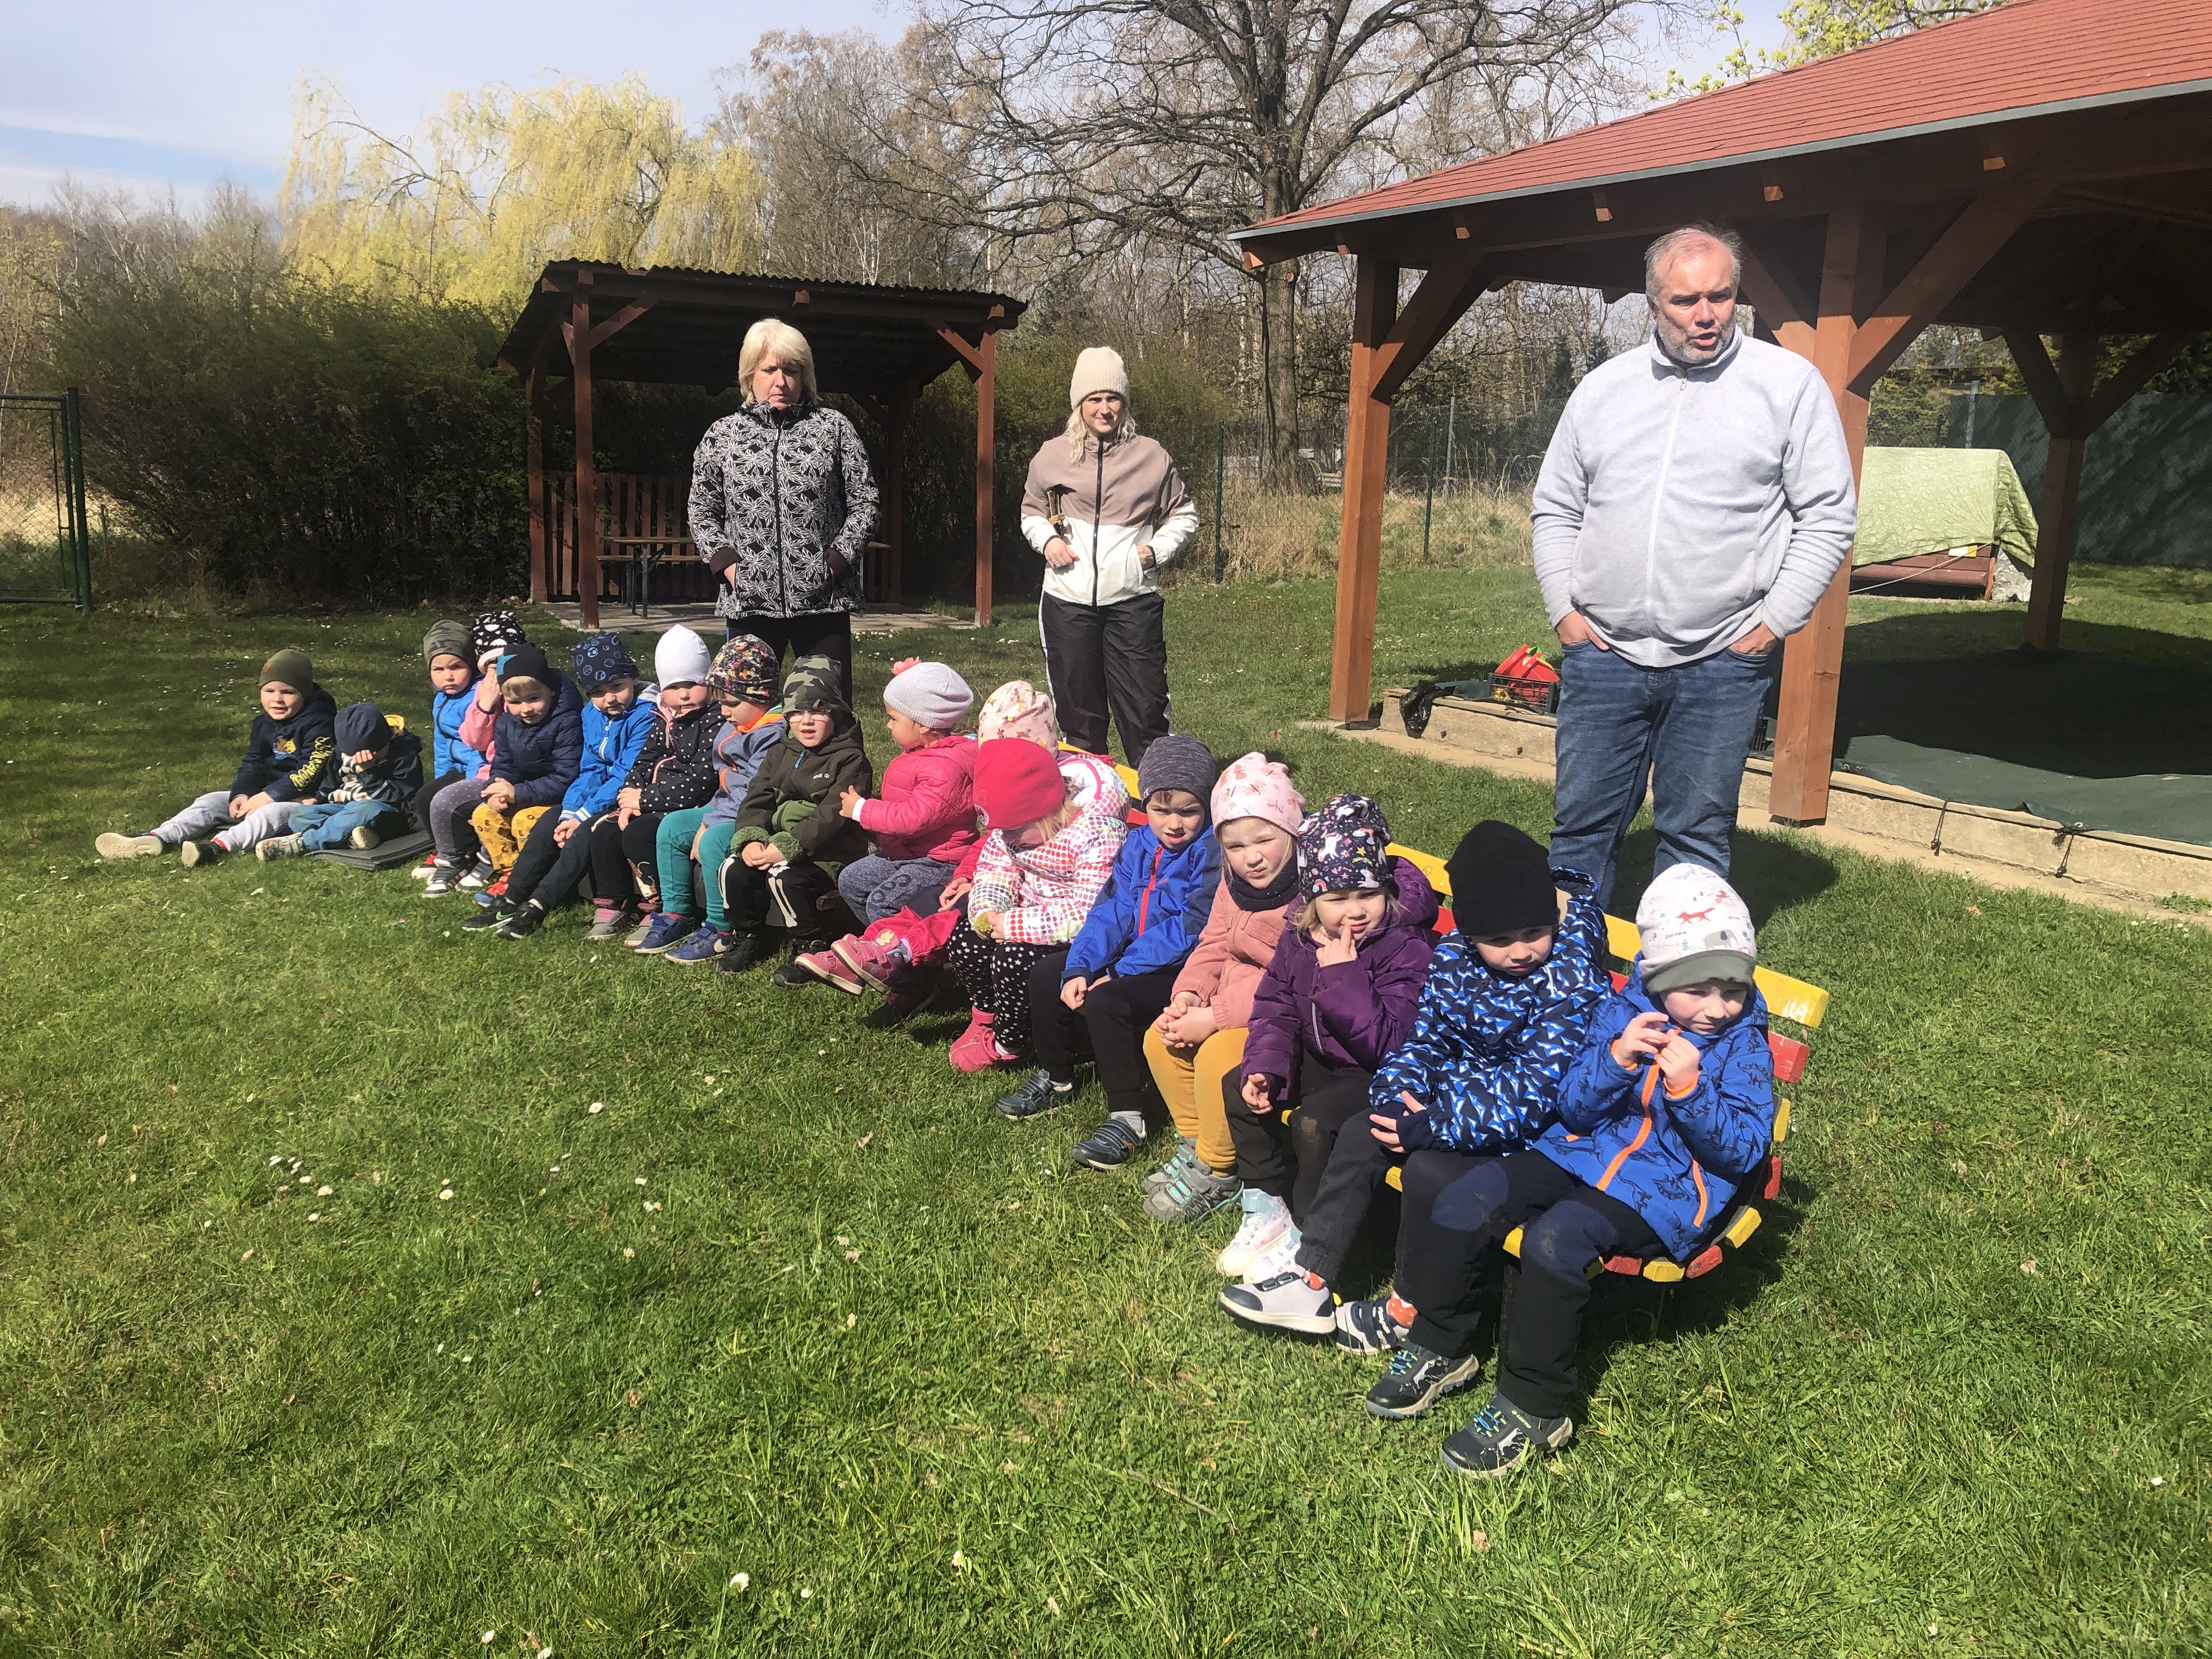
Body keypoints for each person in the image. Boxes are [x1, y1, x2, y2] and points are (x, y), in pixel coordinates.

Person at [1219, 821, 1601, 1426]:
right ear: (1470, 931)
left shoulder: (1566, 977)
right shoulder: (1456, 958)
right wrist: (1400, 1095)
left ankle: (1411, 1310)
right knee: (1371, 1126)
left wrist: (1435, 1123)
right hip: (1456, 1107)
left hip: (1527, 1130)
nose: (1522, 950)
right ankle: (1312, 1275)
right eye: (1500, 938)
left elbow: (1536, 1091)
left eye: (1535, 932)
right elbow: (1425, 1041)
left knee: (1427, 1170)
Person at [1531, 222, 1858, 910]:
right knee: (1581, 829)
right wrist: (1565, 611)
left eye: (1721, 296)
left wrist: (1773, 624)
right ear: (1653, 304)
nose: (1706, 315)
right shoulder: (1603, 389)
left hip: (1722, 659)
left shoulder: (1788, 386)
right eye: (1686, 301)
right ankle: (1569, 966)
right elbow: (1556, 507)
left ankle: (1681, 972)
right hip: (1604, 653)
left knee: (1695, 836)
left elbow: (1829, 515)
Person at [1419, 864, 1775, 1476]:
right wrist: (1617, 1059)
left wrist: (1691, 1092)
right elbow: (1575, 1107)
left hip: (1665, 1190)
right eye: (1699, 990)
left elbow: (1743, 1152)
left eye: (1733, 989)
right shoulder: (1624, 1012)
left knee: (1556, 1239)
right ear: (1659, 978)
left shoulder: (1744, 1047)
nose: (1718, 1008)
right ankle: (1442, 1342)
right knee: (1467, 1196)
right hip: (1580, 1152)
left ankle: (1536, 1406)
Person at [1209, 795, 1437, 1297]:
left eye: (1367, 894)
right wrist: (1267, 1064)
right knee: (1240, 1085)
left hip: (1376, 1073)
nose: (1354, 910)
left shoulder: (1406, 945)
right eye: (1337, 898)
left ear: (1385, 889)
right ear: (1313, 900)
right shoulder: (1300, 937)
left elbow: (1390, 1043)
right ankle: (1266, 1203)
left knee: (1314, 1124)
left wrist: (1345, 975)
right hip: (1321, 1056)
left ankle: (1307, 1235)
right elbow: (1276, 1005)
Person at [795, 680, 1127, 1022]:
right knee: (931, 902)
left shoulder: (1070, 801)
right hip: (1001, 886)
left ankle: (898, 960)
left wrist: (982, 889)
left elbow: (1073, 879)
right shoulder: (1024, 799)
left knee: (949, 913)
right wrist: (968, 874)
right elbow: (996, 842)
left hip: (1035, 904)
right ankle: (872, 948)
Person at [996, 735, 1222, 1155]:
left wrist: (1117, 972)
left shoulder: (1210, 851)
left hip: (1182, 969)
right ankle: (1058, 1077)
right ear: (1146, 803)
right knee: (1047, 974)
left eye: (1188, 811)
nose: (1174, 824)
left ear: (1207, 806)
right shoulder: (1139, 844)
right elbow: (1111, 909)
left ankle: (1128, 1118)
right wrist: (1081, 966)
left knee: (1107, 1001)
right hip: (1134, 956)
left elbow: (1190, 928)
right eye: (1161, 810)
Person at [1137, 754, 1305, 1226]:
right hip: (1225, 1003)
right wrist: (1189, 995)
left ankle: (1219, 1169)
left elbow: (1289, 980)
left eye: (1264, 840)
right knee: (1160, 1039)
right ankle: (1195, 1146)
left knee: (1217, 1057)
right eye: (1234, 846)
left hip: (1280, 1021)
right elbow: (1213, 943)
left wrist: (1213, 1018)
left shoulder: (1307, 897)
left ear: (1292, 833)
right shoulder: (1235, 884)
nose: (1251, 857)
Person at [1019, 346, 1199, 766]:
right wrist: (1048, 541)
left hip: (1132, 601)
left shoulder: (1152, 456)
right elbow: (1031, 512)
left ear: (1125, 402)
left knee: (1145, 712)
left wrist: (1155, 551)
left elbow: (1184, 514)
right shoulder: (1051, 456)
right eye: (1095, 399)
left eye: (1113, 398)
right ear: (1079, 403)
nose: (1105, 409)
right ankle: (1090, 796)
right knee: (1079, 716)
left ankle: (1156, 798)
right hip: (1068, 602)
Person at [688, 318, 879, 691]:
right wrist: (729, 568)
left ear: (804, 376)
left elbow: (866, 502)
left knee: (827, 710)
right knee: (746, 709)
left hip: (823, 601)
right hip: (749, 602)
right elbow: (701, 510)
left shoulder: (834, 429)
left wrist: (836, 563)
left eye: (791, 371)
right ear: (750, 375)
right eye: (770, 370)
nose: (781, 381)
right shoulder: (722, 435)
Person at [944, 738, 1128, 1074]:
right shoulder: (1012, 833)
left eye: (1014, 831)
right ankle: (986, 1015)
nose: (1007, 838)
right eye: (1001, 831)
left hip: (1072, 934)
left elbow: (1089, 911)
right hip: (1022, 916)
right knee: (964, 942)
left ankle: (1011, 1042)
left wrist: (1014, 925)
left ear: (1046, 812)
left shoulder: (1095, 834)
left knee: (1011, 960)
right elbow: (995, 870)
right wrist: (988, 909)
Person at [461, 631, 656, 941]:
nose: (609, 698)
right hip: (597, 795)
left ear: (633, 678)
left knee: (584, 833)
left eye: (617, 687)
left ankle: (538, 907)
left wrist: (582, 815)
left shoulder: (645, 715)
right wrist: (569, 811)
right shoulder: (592, 713)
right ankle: (511, 898)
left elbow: (625, 773)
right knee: (549, 822)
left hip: (626, 796)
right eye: (598, 691)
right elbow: (590, 768)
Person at [97, 647, 336, 867]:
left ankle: (217, 847)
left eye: (288, 692)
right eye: (269, 691)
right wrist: (242, 794)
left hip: (306, 800)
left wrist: (269, 796)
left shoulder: (320, 722)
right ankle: (159, 837)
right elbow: (253, 762)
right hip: (264, 793)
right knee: (210, 801)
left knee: (269, 815)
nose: (277, 700)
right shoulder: (263, 723)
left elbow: (313, 768)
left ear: (305, 694)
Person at [714, 657, 874, 979]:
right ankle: (749, 935)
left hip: (829, 853)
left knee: (784, 876)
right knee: (733, 867)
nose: (806, 721)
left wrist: (789, 846)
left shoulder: (850, 758)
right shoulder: (781, 751)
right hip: (778, 843)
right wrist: (752, 838)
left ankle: (810, 942)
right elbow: (757, 798)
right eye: (796, 713)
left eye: (818, 711)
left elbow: (832, 814)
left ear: (836, 712)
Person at [656, 636, 787, 963]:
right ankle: (676, 912)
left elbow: (752, 793)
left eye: (731, 703)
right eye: (721, 703)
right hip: (725, 806)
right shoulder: (738, 725)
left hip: (757, 815)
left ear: (760, 696)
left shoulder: (773, 734)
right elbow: (726, 783)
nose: (724, 712)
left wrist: (709, 823)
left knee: (715, 840)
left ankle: (721, 929)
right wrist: (708, 815)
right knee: (673, 827)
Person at [603, 627, 724, 955]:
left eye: (692, 684)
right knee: (607, 831)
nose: (683, 694)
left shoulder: (714, 719)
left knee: (640, 833)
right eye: (673, 687)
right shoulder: (663, 716)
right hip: (656, 798)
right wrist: (629, 797)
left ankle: (664, 906)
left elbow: (701, 780)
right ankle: (618, 903)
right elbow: (645, 759)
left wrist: (644, 800)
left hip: (688, 804)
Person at [832, 661, 979, 927]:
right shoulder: (922, 752)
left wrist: (862, 810)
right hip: (907, 852)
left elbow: (914, 818)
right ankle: (878, 938)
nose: (888, 725)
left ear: (923, 725)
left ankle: (907, 947)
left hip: (938, 861)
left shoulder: (944, 767)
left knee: (882, 902)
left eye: (894, 718)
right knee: (852, 881)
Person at [435, 646, 582, 896]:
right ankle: (510, 871)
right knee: (485, 815)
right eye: (515, 702)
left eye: (533, 699)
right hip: (522, 792)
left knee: (526, 822)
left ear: (551, 691)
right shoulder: (507, 723)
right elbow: (503, 764)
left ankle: (536, 876)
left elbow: (567, 776)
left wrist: (517, 793)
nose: (525, 709)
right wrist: (496, 789)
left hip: (558, 798)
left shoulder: (567, 722)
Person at [421, 614, 534, 893]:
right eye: (492, 665)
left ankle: (484, 857)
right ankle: (450, 857)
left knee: (482, 806)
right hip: (481, 768)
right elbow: (464, 740)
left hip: (501, 772)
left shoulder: (523, 695)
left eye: (456, 667)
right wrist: (485, 704)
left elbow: (486, 748)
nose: (448, 676)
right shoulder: (474, 693)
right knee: (433, 798)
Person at [255, 702, 423, 859]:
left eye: (372, 754)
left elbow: (394, 797)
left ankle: (304, 843)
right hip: (344, 806)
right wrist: (319, 799)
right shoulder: (343, 751)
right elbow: (332, 779)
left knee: (362, 811)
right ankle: (350, 836)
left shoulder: (404, 755)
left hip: (384, 811)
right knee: (300, 815)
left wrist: (368, 771)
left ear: (385, 742)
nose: (358, 759)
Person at [414, 620, 487, 851]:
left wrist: (473, 782)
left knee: (451, 801)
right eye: (439, 669)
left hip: (479, 769)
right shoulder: (442, 700)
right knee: (426, 797)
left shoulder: (478, 697)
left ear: (472, 665)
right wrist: (441, 778)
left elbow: (481, 746)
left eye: (456, 667)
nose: (448, 676)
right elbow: (442, 743)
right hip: (457, 769)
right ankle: (442, 847)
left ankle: (467, 849)